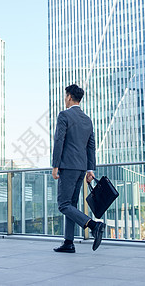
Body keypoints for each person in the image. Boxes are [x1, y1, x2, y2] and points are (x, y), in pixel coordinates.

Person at [52, 84, 105, 253]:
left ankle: (93, 225)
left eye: (65, 96)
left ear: (69, 97)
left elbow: (59, 141)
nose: (65, 99)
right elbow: (91, 146)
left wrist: (55, 165)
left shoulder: (64, 115)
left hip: (68, 167)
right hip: (82, 168)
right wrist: (90, 169)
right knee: (71, 205)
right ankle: (69, 242)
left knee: (63, 204)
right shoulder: (87, 119)